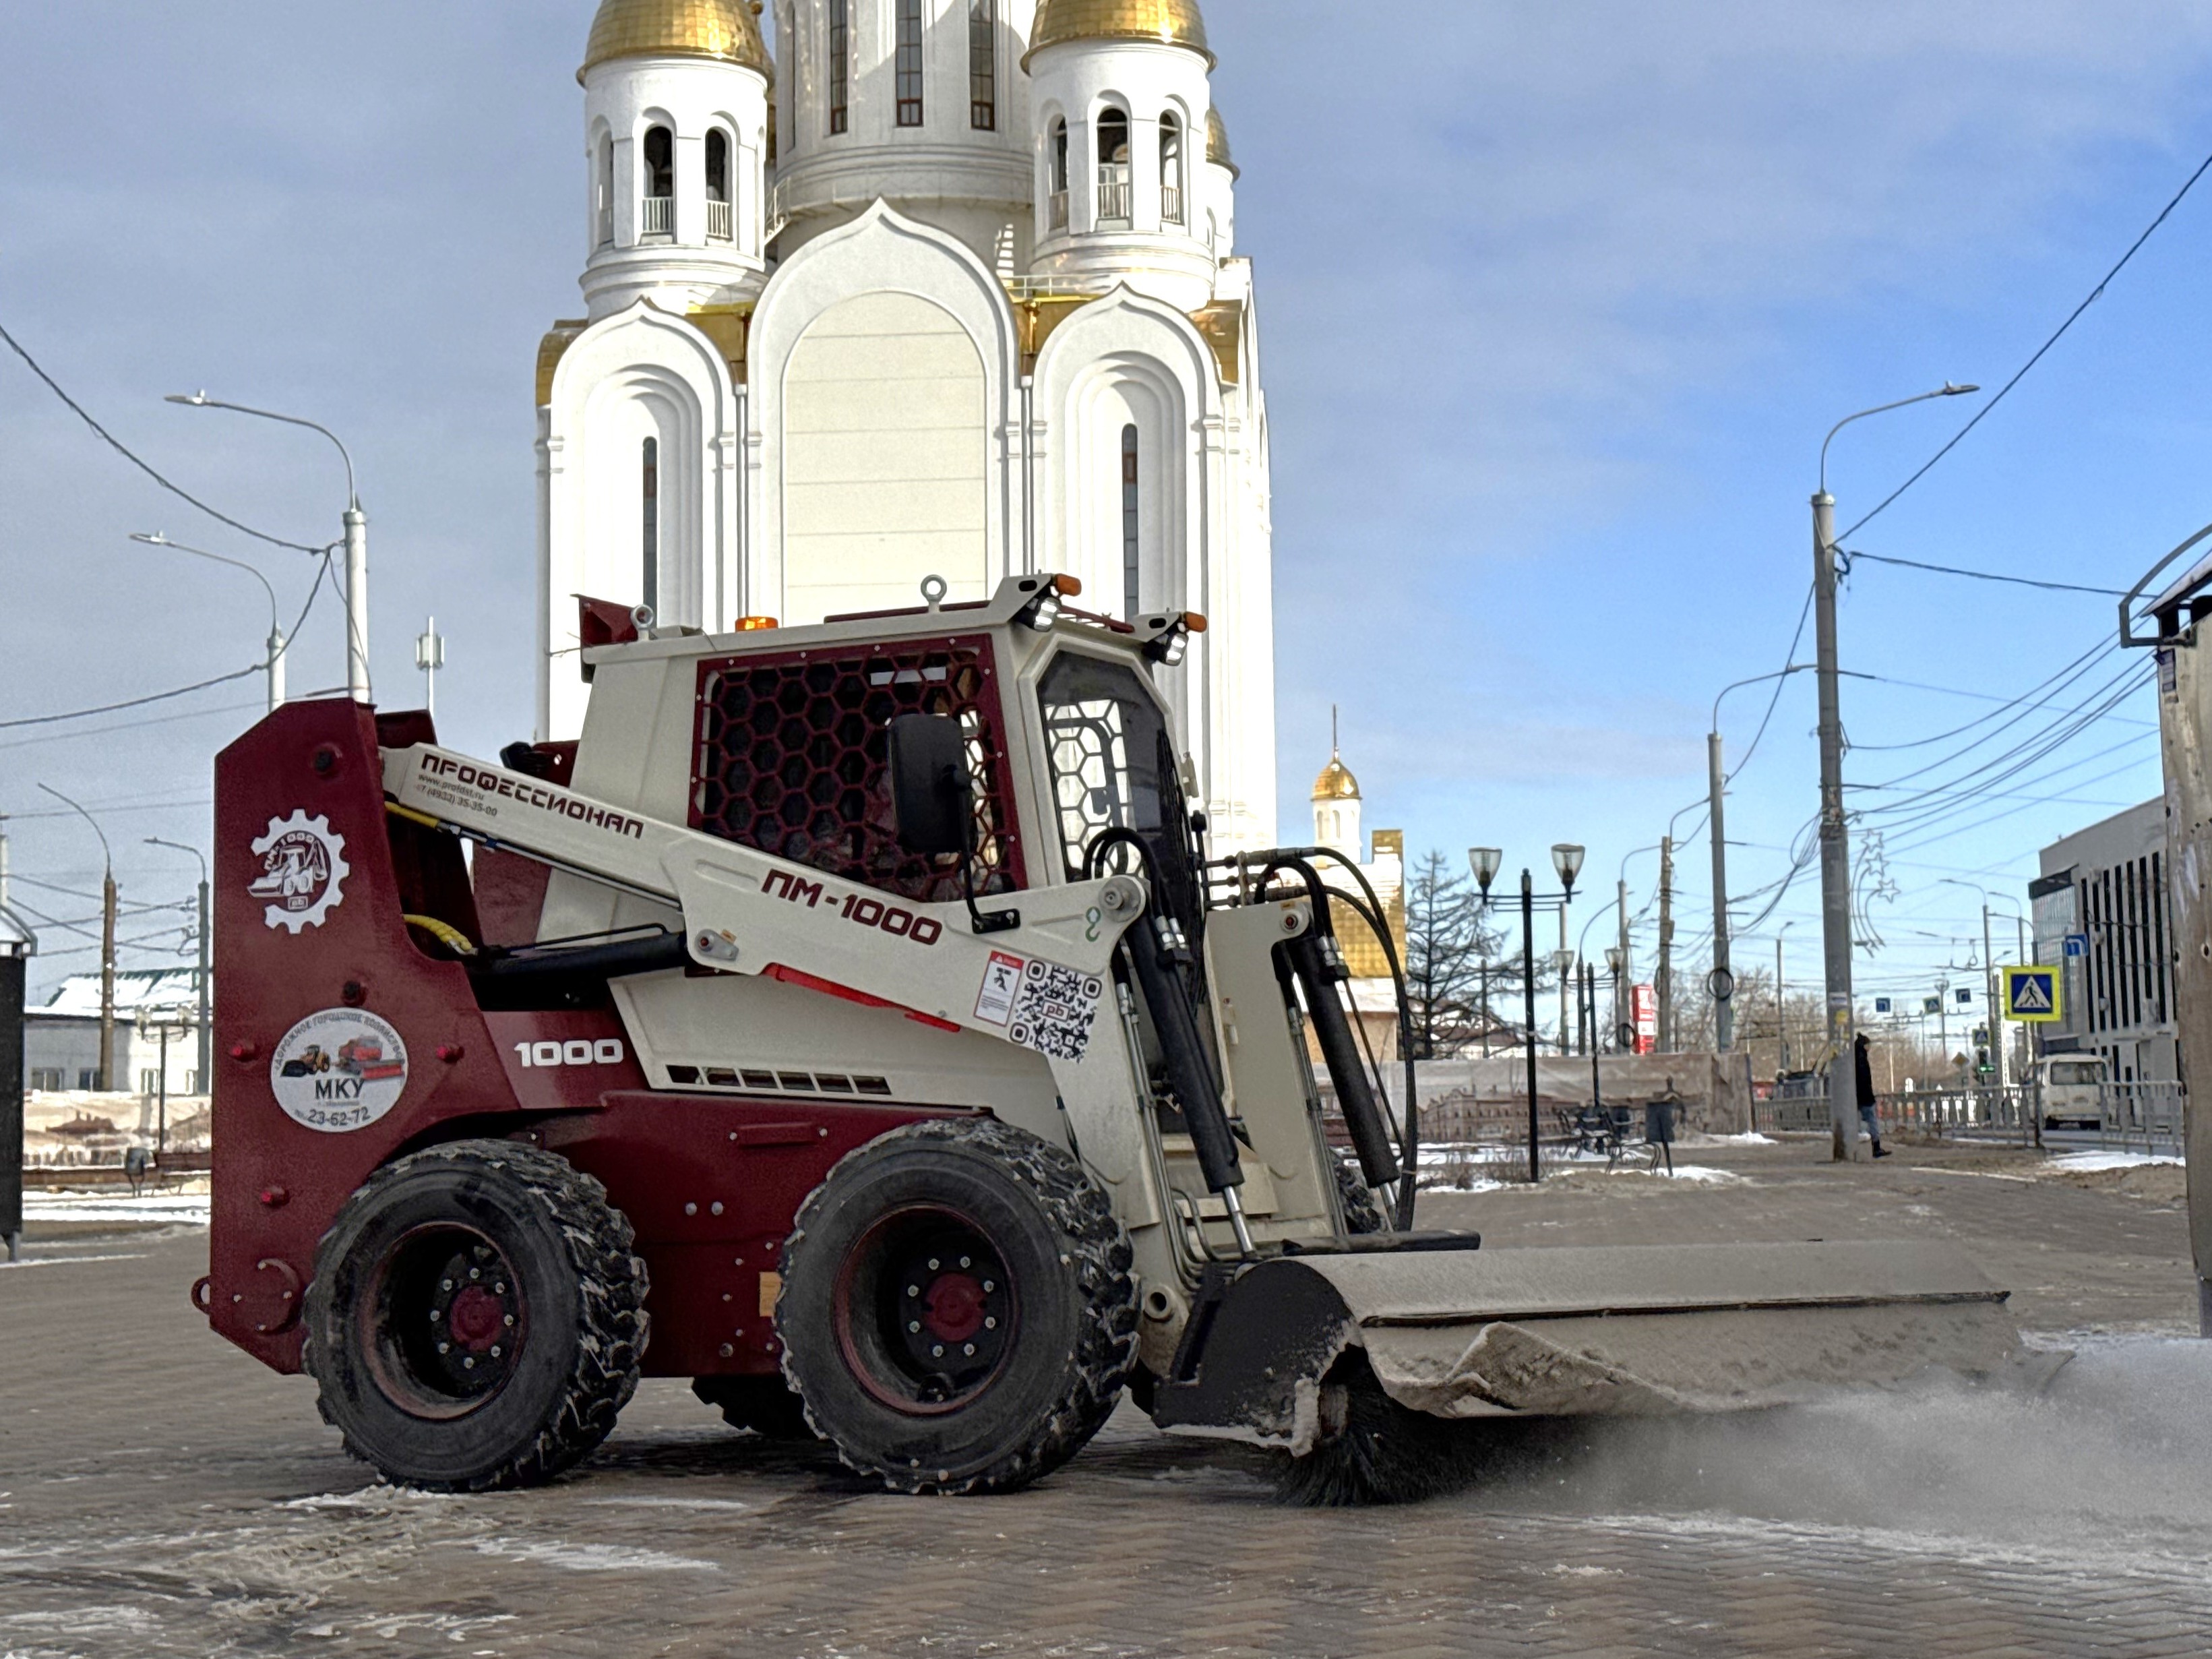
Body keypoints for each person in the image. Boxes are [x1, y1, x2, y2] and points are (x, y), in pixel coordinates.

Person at [1854, 1031, 1890, 1157]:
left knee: (1861, 1121)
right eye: (1868, 1045)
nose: (1869, 1048)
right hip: (1865, 1097)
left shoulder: (1855, 1058)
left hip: (1858, 1097)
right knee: (1872, 1121)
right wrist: (1869, 1096)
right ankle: (1876, 1147)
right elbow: (1864, 1080)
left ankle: (1864, 1147)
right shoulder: (1861, 1060)